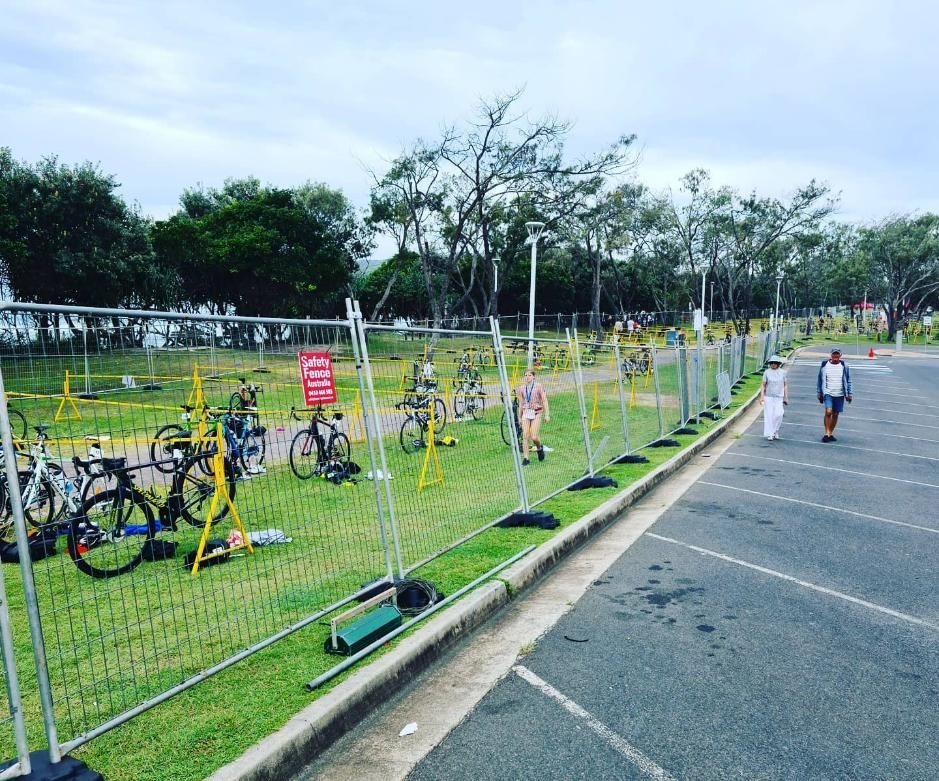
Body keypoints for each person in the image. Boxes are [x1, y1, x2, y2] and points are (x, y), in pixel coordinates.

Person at [515, 368, 550, 465]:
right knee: (525, 435)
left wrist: (547, 414)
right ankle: (526, 458)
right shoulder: (521, 388)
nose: (527, 377)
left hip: (536, 412)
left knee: (534, 437)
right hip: (526, 413)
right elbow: (521, 403)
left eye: (529, 375)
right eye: (526, 375)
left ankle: (539, 448)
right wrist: (519, 416)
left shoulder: (539, 386)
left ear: (533, 376)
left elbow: (544, 400)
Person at [816, 347, 852, 442]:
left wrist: (849, 393)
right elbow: (820, 380)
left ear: (840, 355)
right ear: (830, 355)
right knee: (828, 411)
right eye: (834, 354)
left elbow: (848, 381)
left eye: (837, 354)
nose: (835, 356)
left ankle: (830, 433)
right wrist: (819, 392)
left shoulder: (844, 366)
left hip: (840, 394)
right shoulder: (824, 365)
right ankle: (826, 433)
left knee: (835, 414)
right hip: (828, 392)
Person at [760, 355, 789, 441]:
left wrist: (786, 397)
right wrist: (762, 396)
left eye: (775, 363)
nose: (773, 364)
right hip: (768, 397)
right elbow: (763, 385)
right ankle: (771, 433)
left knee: (779, 414)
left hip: (779, 397)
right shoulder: (766, 372)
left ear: (778, 364)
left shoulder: (783, 372)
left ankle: (775, 430)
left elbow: (785, 385)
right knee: (769, 416)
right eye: (771, 363)